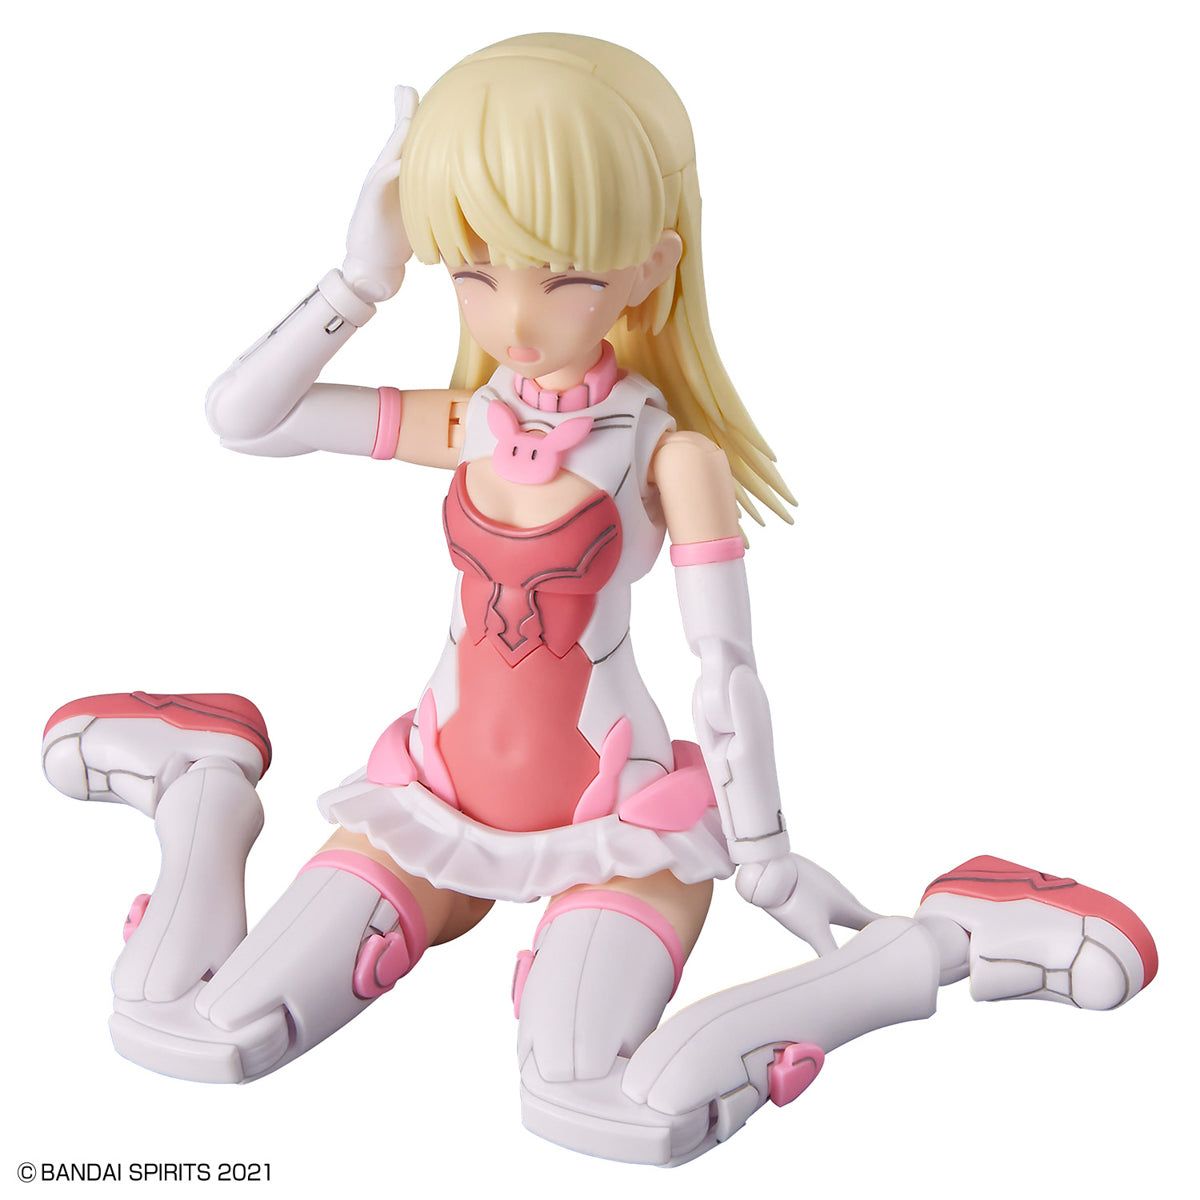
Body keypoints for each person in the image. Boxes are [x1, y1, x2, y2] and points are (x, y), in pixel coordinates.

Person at [40, 34, 1157, 1166]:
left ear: (649, 266)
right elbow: (246, 419)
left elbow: (725, 672)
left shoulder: (672, 459)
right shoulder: (467, 422)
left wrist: (764, 852)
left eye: (560, 275)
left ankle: (943, 941)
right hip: (429, 800)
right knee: (190, 1031)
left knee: (596, 1101)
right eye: (472, 270)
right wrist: (360, 279)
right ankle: (201, 784)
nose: (513, 318)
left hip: (614, 829)